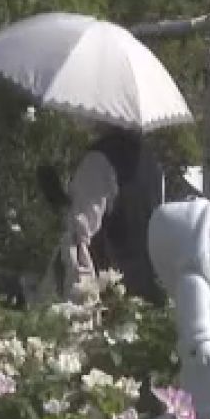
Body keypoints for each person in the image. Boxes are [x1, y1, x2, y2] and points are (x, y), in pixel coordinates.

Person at [44, 120, 170, 305]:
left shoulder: (99, 160)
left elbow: (80, 229)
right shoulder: (154, 164)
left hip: (108, 288)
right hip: (147, 282)